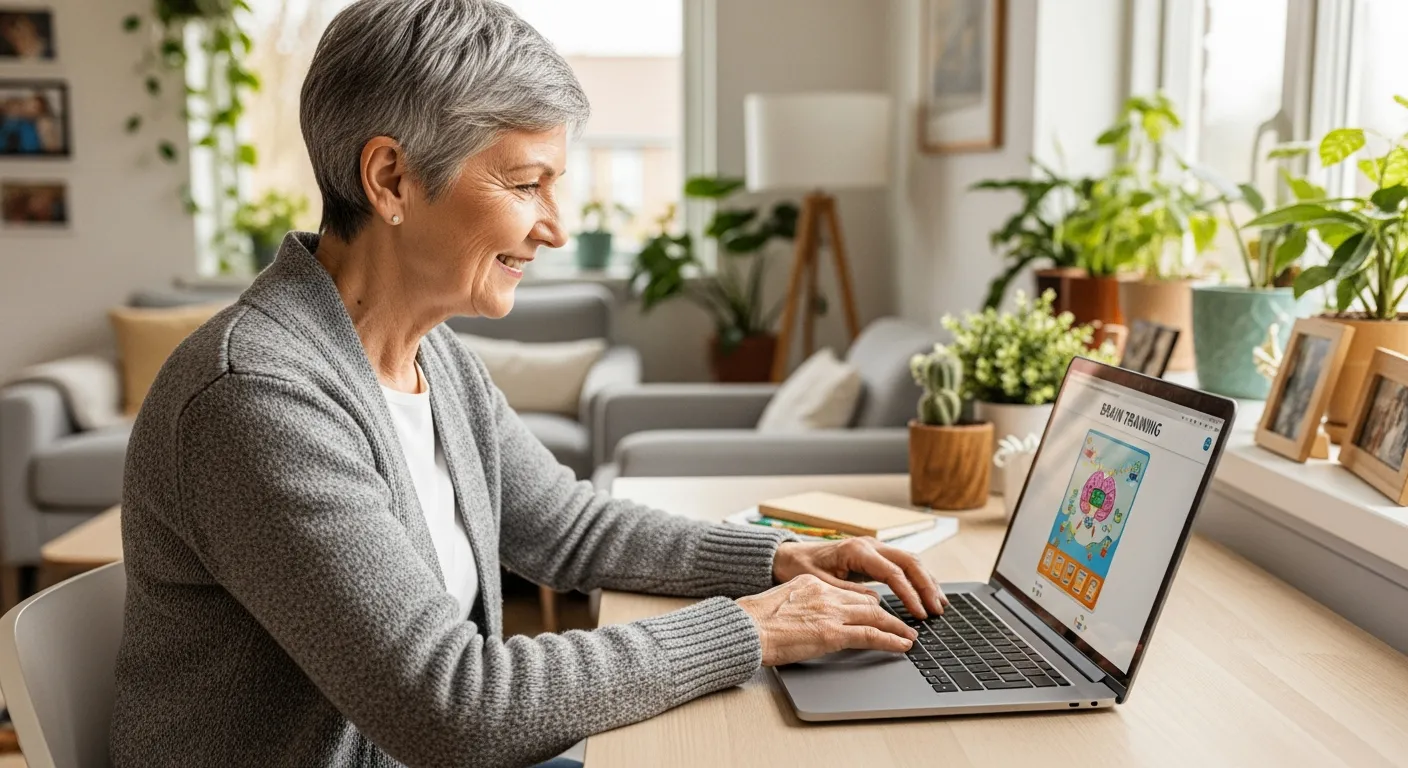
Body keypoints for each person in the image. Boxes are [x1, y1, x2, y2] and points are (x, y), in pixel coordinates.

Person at [109, 2, 945, 766]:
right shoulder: (257, 399)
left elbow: (566, 526)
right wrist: (748, 630)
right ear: (391, 180)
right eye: (524, 183)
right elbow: (455, 706)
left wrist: (776, 560)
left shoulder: (428, 355)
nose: (555, 226)